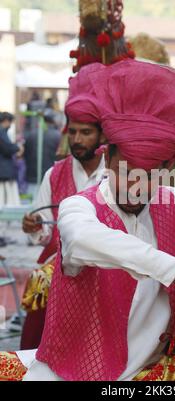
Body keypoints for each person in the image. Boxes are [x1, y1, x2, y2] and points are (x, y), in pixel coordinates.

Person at [2, 59, 175, 382]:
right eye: (127, 171)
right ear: (108, 159)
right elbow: (85, 240)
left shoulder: (171, 202)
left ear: (163, 170)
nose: (136, 186)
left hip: (152, 374)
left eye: (149, 175)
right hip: (69, 374)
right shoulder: (80, 208)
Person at [20, 115, 106, 350]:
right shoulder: (54, 174)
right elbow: (45, 231)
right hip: (59, 266)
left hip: (106, 267)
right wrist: (35, 225)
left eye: (86, 132)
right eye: (73, 132)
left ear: (102, 135)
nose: (77, 139)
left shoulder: (116, 174)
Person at [24, 110, 61, 198]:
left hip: (33, 175)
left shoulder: (31, 134)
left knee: (33, 205)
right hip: (51, 175)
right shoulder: (58, 136)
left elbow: (26, 154)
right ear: (53, 120)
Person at [0, 112, 23, 246]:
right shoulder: (1, 131)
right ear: (6, 121)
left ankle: (2, 234)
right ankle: (1, 235)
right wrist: (17, 147)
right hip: (3, 174)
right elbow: (8, 148)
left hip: (3, 173)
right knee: (4, 204)